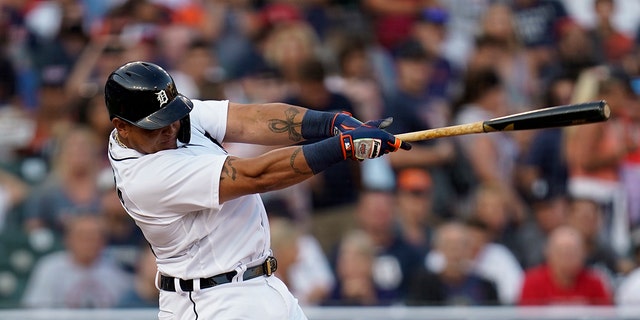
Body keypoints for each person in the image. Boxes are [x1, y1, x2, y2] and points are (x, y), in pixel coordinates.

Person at [104, 61, 409, 320]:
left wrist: (334, 122)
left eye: (172, 116)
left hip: (260, 285)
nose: (171, 127)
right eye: (157, 124)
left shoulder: (168, 119)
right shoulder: (146, 177)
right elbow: (256, 175)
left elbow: (251, 119)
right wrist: (342, 147)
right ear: (122, 126)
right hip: (214, 301)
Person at [21, 214, 132, 308]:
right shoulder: (50, 268)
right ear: (68, 239)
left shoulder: (117, 269)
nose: (89, 242)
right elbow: (37, 311)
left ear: (103, 242)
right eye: (82, 236)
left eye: (95, 236)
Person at [518, 226, 613, 305]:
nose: (568, 258)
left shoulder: (595, 283)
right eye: (562, 253)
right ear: (548, 253)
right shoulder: (532, 282)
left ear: (584, 254)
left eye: (573, 252)